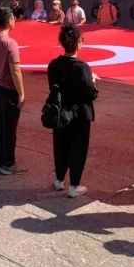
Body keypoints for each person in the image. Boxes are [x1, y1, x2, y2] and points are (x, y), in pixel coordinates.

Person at [47, 24, 99, 198]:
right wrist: (92, 79)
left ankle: (59, 179)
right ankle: (74, 185)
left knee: (60, 146)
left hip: (60, 112)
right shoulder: (82, 67)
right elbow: (92, 93)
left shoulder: (54, 64)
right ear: (77, 43)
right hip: (79, 115)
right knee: (78, 148)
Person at [0, 7, 27, 175]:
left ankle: (0, 162)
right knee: (10, 128)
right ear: (9, 22)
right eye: (13, 19)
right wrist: (21, 93)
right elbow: (15, 71)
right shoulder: (10, 43)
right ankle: (9, 163)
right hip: (8, 89)